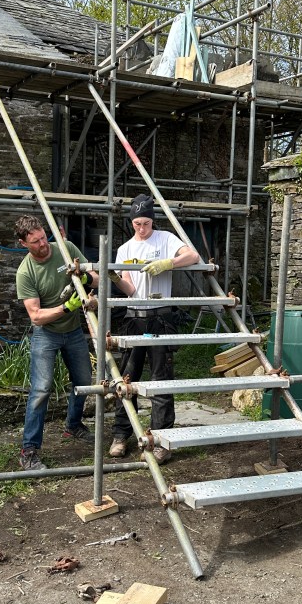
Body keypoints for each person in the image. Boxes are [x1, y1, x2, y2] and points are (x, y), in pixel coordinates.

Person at [108, 194, 199, 464]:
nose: (141, 228)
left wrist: (169, 263)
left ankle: (161, 439)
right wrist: (116, 278)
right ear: (132, 222)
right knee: (127, 378)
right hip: (133, 316)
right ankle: (121, 434)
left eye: (146, 223)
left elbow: (193, 255)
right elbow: (131, 288)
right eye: (137, 223)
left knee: (161, 378)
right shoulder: (125, 248)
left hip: (160, 317)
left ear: (152, 220)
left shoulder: (166, 239)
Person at [14, 214, 99, 471]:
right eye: (36, 242)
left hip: (73, 331)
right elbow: (36, 316)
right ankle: (29, 450)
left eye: (43, 237)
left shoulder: (66, 249)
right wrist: (66, 307)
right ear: (23, 243)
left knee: (84, 382)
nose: (43, 244)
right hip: (46, 334)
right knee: (41, 390)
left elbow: (95, 277)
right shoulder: (25, 272)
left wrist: (86, 279)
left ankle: (73, 426)